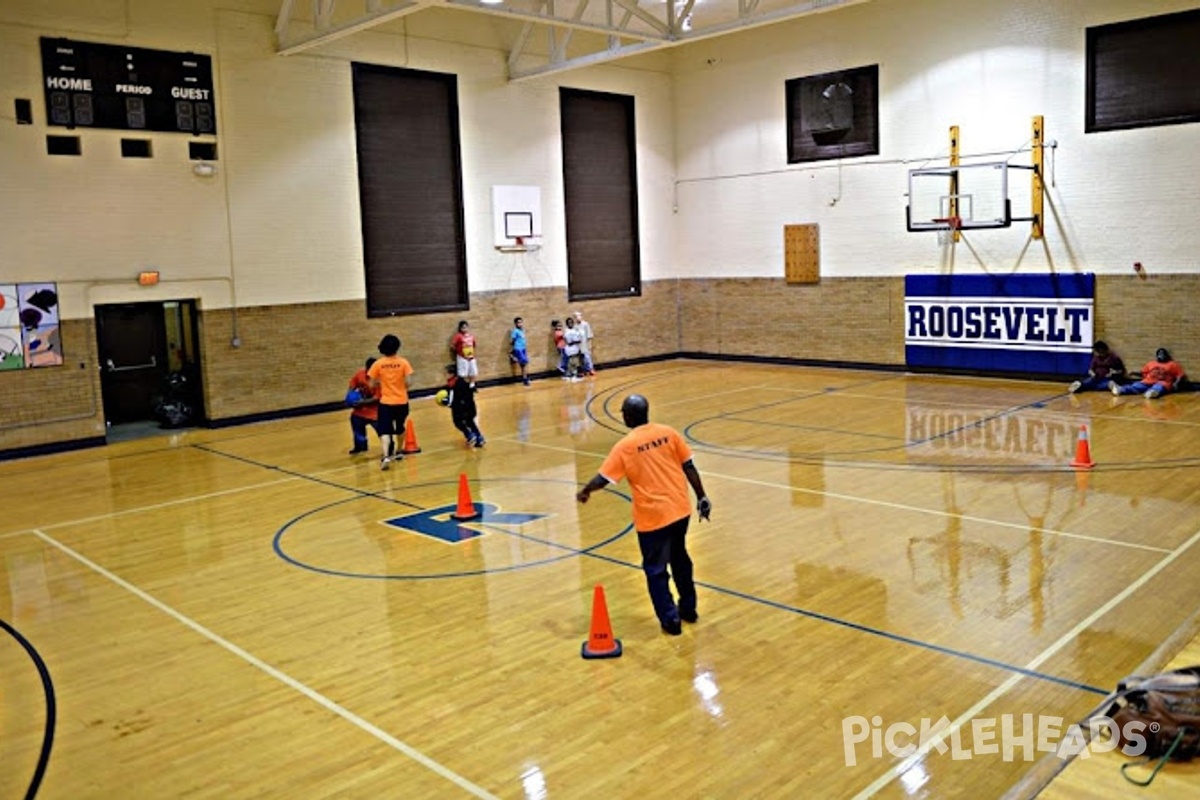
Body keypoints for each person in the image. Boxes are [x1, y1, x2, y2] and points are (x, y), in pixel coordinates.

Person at [576, 394, 712, 635]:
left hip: (653, 518)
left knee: (656, 569)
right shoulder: (668, 433)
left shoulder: (625, 447)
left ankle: (671, 621)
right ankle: (689, 609)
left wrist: (586, 490)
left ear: (628, 416)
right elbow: (688, 466)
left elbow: (603, 479)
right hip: (680, 511)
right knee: (680, 558)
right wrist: (702, 496)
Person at [368, 334, 414, 470]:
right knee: (400, 427)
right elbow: (408, 383)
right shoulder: (404, 363)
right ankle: (399, 451)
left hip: (386, 402)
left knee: (385, 430)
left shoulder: (378, 364)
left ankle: (386, 455)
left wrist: (381, 382)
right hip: (402, 401)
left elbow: (371, 384)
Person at [1112, 348, 1187, 399]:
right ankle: (1120, 390)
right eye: (1159, 354)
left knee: (1158, 387)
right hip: (1148, 381)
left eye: (1163, 354)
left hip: (1162, 382)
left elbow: (1180, 375)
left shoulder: (1172, 364)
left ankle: (1152, 393)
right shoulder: (1151, 363)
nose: (1161, 356)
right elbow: (1143, 373)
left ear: (1167, 355)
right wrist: (1134, 373)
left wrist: (1176, 383)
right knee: (1136, 386)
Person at [442, 364, 485, 447]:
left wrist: (445, 402)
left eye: (446, 373)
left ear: (452, 374)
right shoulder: (463, 381)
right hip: (471, 406)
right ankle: (479, 438)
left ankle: (469, 435)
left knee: (458, 422)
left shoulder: (452, 385)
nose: (445, 375)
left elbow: (451, 400)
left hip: (460, 407)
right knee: (470, 422)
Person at [347, 357, 381, 455]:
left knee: (382, 431)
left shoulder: (380, 380)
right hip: (360, 411)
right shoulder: (360, 374)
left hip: (376, 413)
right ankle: (360, 446)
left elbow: (377, 398)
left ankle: (389, 448)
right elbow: (352, 385)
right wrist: (350, 396)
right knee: (355, 421)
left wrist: (362, 402)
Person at [450, 319, 478, 388]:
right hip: (462, 357)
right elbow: (452, 345)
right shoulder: (458, 336)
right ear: (460, 328)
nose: (464, 329)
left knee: (473, 371)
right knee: (463, 374)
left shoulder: (471, 336)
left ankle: (472, 385)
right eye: (463, 327)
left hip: (471, 357)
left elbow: (474, 345)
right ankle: (463, 386)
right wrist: (459, 351)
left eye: (466, 327)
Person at [509, 317, 531, 386]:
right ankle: (525, 379)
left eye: (521, 322)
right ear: (515, 323)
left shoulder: (522, 330)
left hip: (523, 348)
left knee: (523, 364)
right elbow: (512, 340)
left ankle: (525, 377)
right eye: (518, 322)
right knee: (524, 363)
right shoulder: (515, 331)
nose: (520, 324)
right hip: (518, 348)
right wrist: (512, 347)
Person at [574, 310, 596, 375]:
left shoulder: (585, 324)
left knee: (587, 357)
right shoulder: (575, 326)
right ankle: (583, 370)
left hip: (585, 344)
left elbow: (589, 335)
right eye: (575, 317)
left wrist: (589, 344)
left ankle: (591, 369)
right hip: (578, 345)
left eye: (578, 316)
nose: (577, 318)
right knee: (581, 358)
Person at [563, 316, 584, 380]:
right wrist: (574, 341)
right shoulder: (567, 331)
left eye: (572, 322)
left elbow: (579, 339)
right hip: (570, 349)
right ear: (567, 324)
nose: (571, 324)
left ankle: (574, 373)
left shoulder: (575, 330)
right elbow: (569, 341)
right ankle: (571, 374)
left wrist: (577, 340)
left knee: (576, 361)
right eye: (569, 323)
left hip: (575, 348)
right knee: (571, 361)